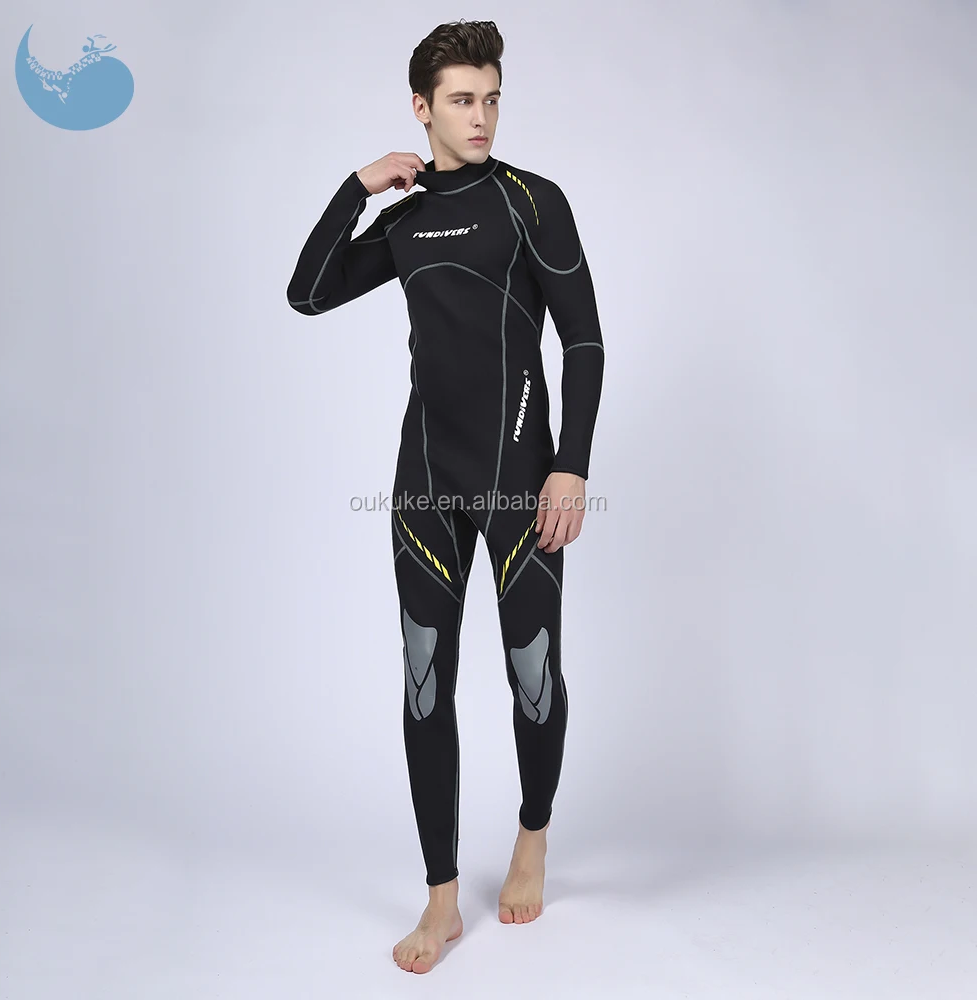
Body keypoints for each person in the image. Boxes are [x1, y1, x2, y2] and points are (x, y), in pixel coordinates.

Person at [286, 19, 605, 975]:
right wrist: (357, 188)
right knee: (425, 680)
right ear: (421, 109)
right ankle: (440, 899)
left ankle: (533, 834)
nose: (482, 118)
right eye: (462, 100)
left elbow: (584, 341)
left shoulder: (532, 201)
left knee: (531, 671)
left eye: (492, 98)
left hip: (521, 481)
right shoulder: (407, 219)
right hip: (424, 481)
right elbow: (307, 293)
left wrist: (571, 465)